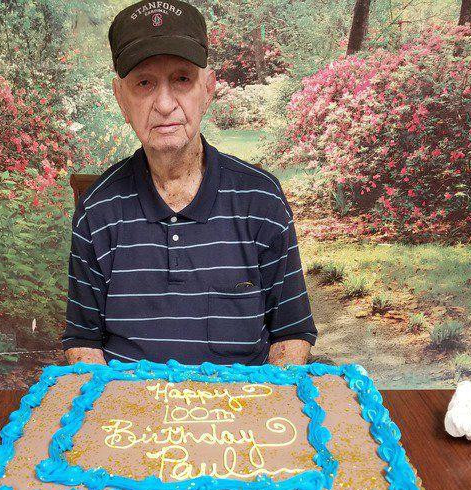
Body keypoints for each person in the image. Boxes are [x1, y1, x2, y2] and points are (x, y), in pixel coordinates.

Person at [61, 0, 318, 367]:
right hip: (128, 416)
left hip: (240, 416)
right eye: (144, 83)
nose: (164, 104)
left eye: (182, 78)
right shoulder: (97, 210)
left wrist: (260, 414)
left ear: (208, 88)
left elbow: (291, 334)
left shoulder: (261, 199)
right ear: (121, 98)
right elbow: (83, 343)